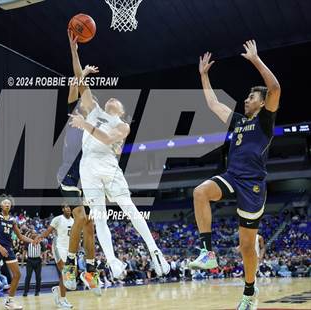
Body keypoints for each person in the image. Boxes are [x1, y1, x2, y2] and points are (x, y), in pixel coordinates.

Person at [67, 31, 170, 281]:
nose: (112, 98)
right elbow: (79, 83)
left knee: (128, 207)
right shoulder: (93, 109)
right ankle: (112, 262)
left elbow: (107, 139)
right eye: (110, 97)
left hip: (108, 165)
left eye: (117, 100)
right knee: (99, 217)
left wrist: (86, 126)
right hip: (88, 166)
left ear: (122, 111)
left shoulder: (122, 125)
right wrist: (75, 51)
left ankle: (155, 251)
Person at [189, 40, 281, 309]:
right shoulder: (239, 121)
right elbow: (213, 103)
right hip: (231, 176)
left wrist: (255, 59)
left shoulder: (266, 120)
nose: (246, 99)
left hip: (253, 185)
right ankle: (207, 252)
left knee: (246, 246)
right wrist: (204, 75)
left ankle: (250, 292)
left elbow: (274, 87)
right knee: (200, 192)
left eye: (251, 97)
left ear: (262, 103)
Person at [58, 36, 101, 293]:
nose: (90, 99)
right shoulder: (76, 109)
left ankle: (92, 273)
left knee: (90, 226)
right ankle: (71, 266)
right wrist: (74, 50)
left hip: (86, 177)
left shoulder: (96, 124)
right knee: (81, 217)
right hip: (67, 174)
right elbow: (76, 79)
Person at [35, 205, 75, 308]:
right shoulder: (57, 219)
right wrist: (39, 237)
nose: (68, 209)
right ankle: (63, 299)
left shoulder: (74, 221)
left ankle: (57, 291)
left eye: (69, 207)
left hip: (69, 249)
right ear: (62, 209)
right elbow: (48, 231)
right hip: (59, 246)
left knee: (66, 275)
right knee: (64, 272)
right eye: (66, 207)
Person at [22, 231, 46, 297]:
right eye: (33, 233)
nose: (34, 234)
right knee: (28, 276)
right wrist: (22, 261)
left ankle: (37, 291)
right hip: (30, 260)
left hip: (38, 261)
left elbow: (44, 252)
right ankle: (25, 292)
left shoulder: (41, 243)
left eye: (35, 233)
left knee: (38, 277)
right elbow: (24, 252)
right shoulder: (28, 242)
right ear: (31, 235)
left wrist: (44, 260)